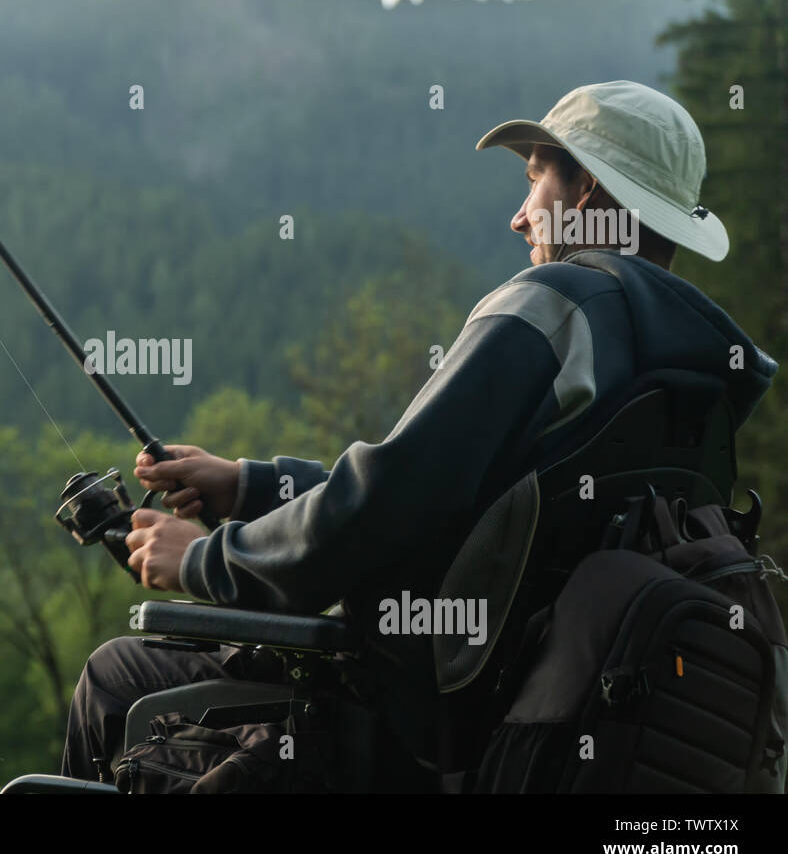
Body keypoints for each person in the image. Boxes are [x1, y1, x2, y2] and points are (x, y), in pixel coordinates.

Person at [59, 80, 778, 786]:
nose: (520, 217)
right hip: (518, 726)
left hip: (405, 730)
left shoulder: (553, 309)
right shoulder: (696, 379)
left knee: (117, 678)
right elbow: (461, 506)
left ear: (585, 189)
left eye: (534, 181)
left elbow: (386, 501)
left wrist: (206, 561)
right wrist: (251, 483)